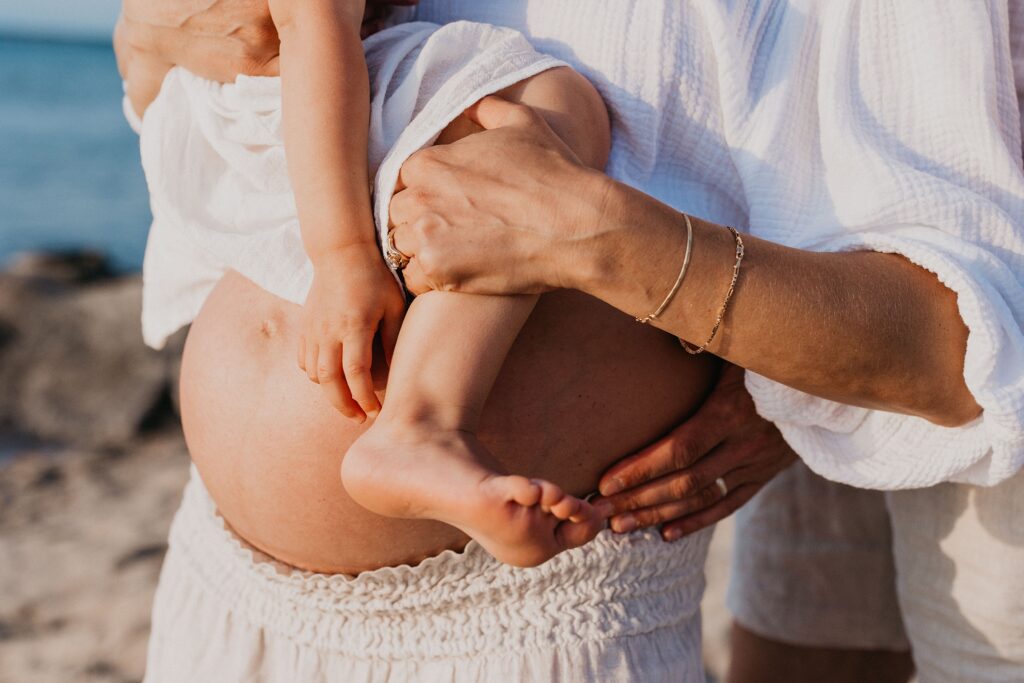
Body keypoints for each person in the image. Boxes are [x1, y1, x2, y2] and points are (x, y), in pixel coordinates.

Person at [117, 0, 1024, 681]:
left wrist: (604, 241)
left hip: (525, 628)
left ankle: (425, 426)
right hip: (218, 594)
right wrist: (151, 39)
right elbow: (212, 121)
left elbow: (967, 338)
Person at [126, 0, 606, 567]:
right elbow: (312, 19)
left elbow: (143, 77)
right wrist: (342, 255)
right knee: (552, 106)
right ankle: (421, 423)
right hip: (302, 89)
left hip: (237, 105)